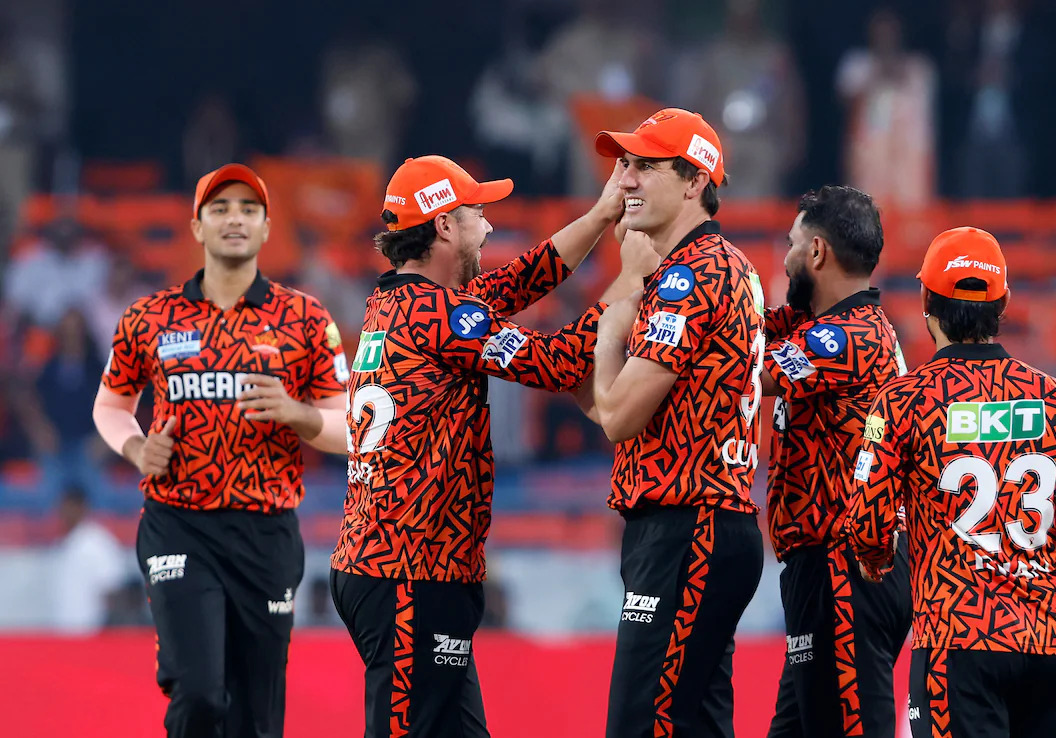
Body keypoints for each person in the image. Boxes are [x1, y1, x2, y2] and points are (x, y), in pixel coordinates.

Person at [330, 154, 644, 738]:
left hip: (403, 565)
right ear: (444, 225)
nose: (490, 225)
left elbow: (524, 278)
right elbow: (559, 363)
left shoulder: (398, 302)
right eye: (478, 213)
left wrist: (602, 214)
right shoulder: (439, 316)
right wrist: (628, 285)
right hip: (409, 573)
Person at [92, 163, 350, 738]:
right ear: (197, 227)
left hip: (266, 532)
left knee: (255, 719)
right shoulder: (149, 317)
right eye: (220, 208)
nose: (235, 219)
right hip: (178, 523)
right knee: (201, 693)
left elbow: (356, 429)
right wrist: (136, 448)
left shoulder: (305, 318)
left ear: (266, 228)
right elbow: (109, 406)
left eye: (249, 209)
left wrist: (298, 414)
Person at [846, 227, 1056, 736]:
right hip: (1046, 646)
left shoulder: (903, 400)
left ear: (925, 301)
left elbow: (866, 524)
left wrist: (876, 561)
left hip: (956, 639)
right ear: (1003, 304)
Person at [587, 107, 765, 738]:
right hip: (702, 525)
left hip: (688, 527)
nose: (625, 180)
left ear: (695, 182)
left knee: (641, 724)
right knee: (695, 723)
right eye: (623, 164)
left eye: (646, 166)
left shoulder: (691, 275)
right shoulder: (712, 267)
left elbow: (616, 417)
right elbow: (606, 402)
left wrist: (613, 321)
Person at [760, 186, 911, 738]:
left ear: (817, 251)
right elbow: (753, 330)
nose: (785, 258)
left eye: (791, 244)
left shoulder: (844, 337)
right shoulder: (845, 326)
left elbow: (746, 373)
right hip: (832, 566)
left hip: (845, 565)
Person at [48, 487, 125, 634]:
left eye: (69, 507)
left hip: (91, 632)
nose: (64, 513)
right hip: (62, 631)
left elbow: (113, 588)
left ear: (82, 508)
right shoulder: (62, 544)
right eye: (62, 508)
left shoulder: (98, 542)